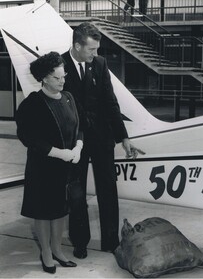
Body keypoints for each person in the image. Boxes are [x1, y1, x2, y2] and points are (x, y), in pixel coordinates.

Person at [61, 22, 144, 259]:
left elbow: (110, 102)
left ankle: (110, 241)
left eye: (97, 49)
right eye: (91, 50)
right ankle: (80, 242)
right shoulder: (59, 64)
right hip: (74, 140)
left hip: (101, 138)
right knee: (76, 193)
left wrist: (123, 137)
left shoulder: (100, 64)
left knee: (108, 189)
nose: (95, 54)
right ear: (77, 46)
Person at [16, 52, 82, 274]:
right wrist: (58, 153)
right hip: (42, 168)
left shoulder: (69, 98)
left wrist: (78, 147)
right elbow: (29, 137)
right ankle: (46, 252)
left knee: (61, 209)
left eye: (64, 76)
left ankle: (57, 249)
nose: (63, 81)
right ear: (44, 78)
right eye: (58, 78)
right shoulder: (33, 103)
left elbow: (78, 125)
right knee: (43, 211)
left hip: (65, 167)